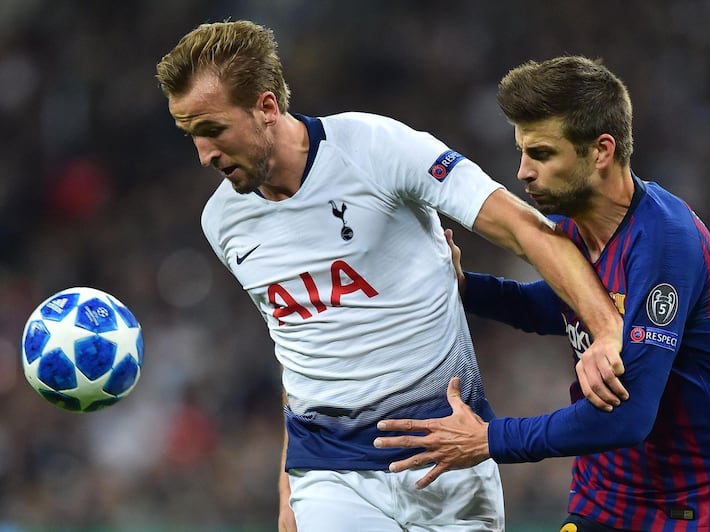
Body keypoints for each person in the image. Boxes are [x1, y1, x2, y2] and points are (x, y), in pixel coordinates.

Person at [155, 22, 625, 531]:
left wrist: (605, 329)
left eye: (214, 130)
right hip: (330, 471)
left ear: (267, 108)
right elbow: (297, 344)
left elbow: (523, 229)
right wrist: (288, 485)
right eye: (191, 136)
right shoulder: (222, 221)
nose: (205, 156)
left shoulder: (375, 148)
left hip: (447, 454)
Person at [374, 56, 710, 531]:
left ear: (601, 151)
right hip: (605, 503)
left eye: (542, 154)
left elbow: (626, 420)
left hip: (703, 508)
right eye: (522, 152)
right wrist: (465, 288)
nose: (523, 172)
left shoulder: (665, 243)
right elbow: (551, 307)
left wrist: (489, 439)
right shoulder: (570, 230)